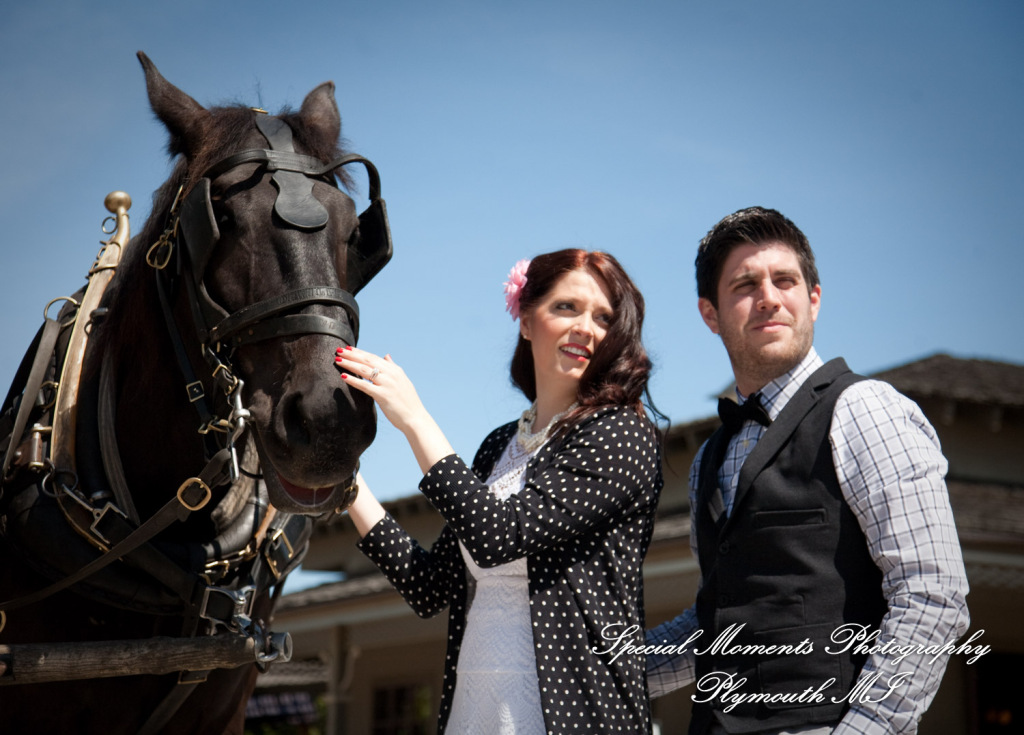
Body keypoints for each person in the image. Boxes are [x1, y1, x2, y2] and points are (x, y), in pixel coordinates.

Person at [645, 207, 970, 734]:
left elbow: (931, 593)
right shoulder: (709, 456)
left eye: (785, 280)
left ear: (813, 298)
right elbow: (714, 619)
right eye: (745, 284)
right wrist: (599, 669)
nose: (769, 296)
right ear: (711, 314)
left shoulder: (867, 409)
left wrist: (866, 730)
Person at [335, 249, 664, 734]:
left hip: (570, 716)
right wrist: (345, 478)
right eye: (566, 308)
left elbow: (498, 537)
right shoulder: (498, 445)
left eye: (603, 318)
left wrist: (414, 419)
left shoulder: (620, 433)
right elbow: (430, 586)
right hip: (474, 710)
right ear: (527, 320)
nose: (586, 328)